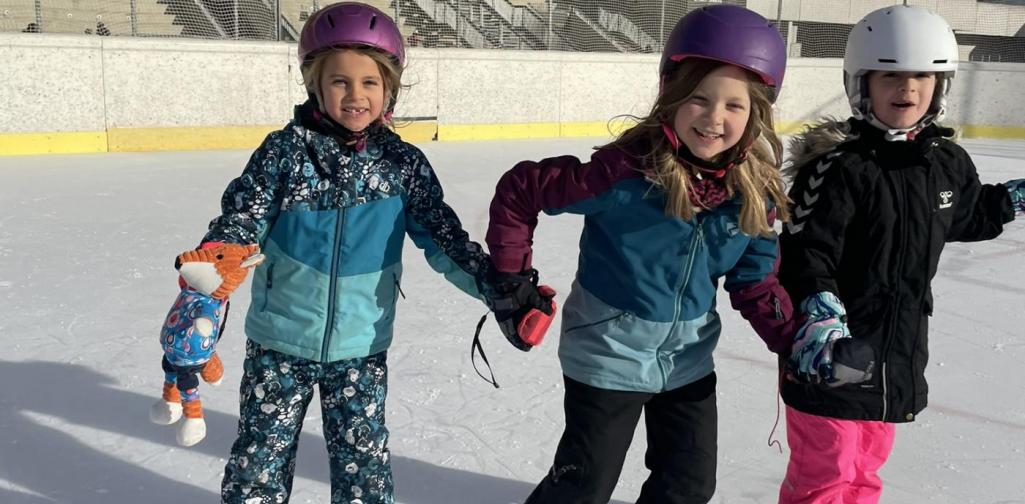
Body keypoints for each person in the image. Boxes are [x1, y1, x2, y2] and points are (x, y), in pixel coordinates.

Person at [180, 3, 501, 502]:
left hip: (360, 347)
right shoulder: (285, 153)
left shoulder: (402, 164)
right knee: (258, 464)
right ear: (315, 84)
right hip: (279, 342)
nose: (355, 95)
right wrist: (213, 264)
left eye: (370, 82)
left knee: (364, 471)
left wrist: (498, 287)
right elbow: (243, 218)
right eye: (340, 81)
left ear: (389, 87)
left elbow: (445, 239)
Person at [485, 5, 798, 503]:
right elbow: (522, 189)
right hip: (607, 353)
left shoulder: (752, 196)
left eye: (734, 106)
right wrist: (511, 277)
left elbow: (755, 282)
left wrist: (795, 341)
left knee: (688, 486)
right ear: (670, 94)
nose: (714, 118)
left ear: (756, 114)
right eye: (698, 98)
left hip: (687, 361)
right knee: (585, 485)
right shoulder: (624, 174)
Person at [776, 5, 1025, 503]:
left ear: (941, 84)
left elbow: (965, 215)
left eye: (922, 76)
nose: (907, 88)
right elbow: (805, 252)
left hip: (896, 354)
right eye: (890, 75)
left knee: (865, 472)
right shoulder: (839, 168)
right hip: (834, 354)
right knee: (827, 474)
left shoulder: (945, 162)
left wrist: (1011, 199)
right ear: (861, 83)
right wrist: (819, 316)